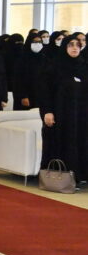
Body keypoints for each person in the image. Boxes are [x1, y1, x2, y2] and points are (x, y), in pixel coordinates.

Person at [39, 37, 88, 181]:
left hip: (81, 115)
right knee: (62, 143)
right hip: (61, 114)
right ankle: (62, 177)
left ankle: (80, 176)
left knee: (80, 142)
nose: (75, 48)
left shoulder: (84, 66)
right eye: (71, 45)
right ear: (64, 48)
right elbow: (45, 91)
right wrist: (47, 111)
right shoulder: (54, 67)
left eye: (78, 45)